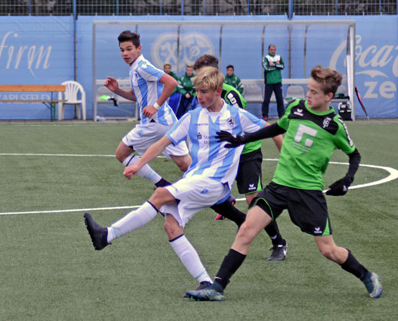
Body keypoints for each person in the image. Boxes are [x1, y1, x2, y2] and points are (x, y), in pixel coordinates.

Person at [186, 65, 383, 301]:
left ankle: (366, 275)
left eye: (314, 93)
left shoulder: (334, 125)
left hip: (308, 193)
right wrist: (241, 139)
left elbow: (355, 155)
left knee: (328, 250)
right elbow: (275, 129)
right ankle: (216, 287)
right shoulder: (296, 109)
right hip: (278, 187)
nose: (308, 96)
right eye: (308, 90)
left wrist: (347, 180)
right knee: (247, 230)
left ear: (329, 97)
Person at [84, 67, 270, 296]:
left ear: (218, 91)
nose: (199, 96)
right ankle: (206, 283)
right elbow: (161, 144)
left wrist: (272, 150)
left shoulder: (236, 116)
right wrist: (137, 164)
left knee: (160, 195)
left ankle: (107, 236)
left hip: (214, 183)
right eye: (197, 91)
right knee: (171, 226)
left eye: (204, 92)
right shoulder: (192, 117)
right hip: (195, 179)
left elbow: (272, 130)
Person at [193, 54, 288, 261]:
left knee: (254, 200)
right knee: (208, 193)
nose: (200, 85)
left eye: (205, 78)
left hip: (246, 152)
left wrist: (285, 154)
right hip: (223, 154)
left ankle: (278, 241)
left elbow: (252, 125)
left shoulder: (230, 95)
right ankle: (240, 220)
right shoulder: (200, 96)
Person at [104, 31, 191, 188]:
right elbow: (137, 97)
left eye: (129, 49)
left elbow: (171, 82)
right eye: (122, 50)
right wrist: (117, 90)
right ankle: (223, 199)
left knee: (121, 153)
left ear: (139, 49)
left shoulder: (142, 67)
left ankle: (163, 186)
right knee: (186, 165)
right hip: (167, 122)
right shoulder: (134, 68)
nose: (125, 53)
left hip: (155, 123)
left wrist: (155, 106)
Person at [262, 44, 285, 120]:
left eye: (274, 50)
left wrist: (273, 64)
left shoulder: (279, 57)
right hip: (269, 83)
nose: (273, 51)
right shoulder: (266, 58)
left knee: (280, 100)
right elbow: (267, 68)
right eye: (271, 50)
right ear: (269, 50)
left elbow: (282, 66)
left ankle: (281, 115)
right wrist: (276, 65)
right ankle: (265, 115)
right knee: (266, 100)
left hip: (278, 82)